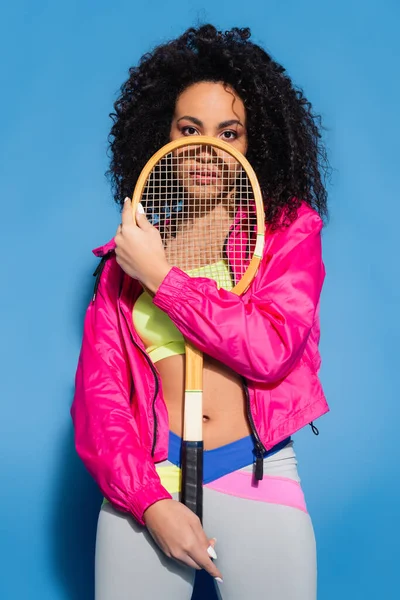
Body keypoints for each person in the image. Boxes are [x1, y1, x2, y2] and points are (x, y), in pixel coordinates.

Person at [71, 24, 330, 600]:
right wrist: (150, 502)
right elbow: (101, 400)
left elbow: (268, 349)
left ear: (252, 143)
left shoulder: (286, 233)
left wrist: (163, 278)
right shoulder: (124, 259)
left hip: (255, 474)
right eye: (189, 128)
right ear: (163, 135)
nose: (206, 148)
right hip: (152, 481)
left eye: (229, 132)